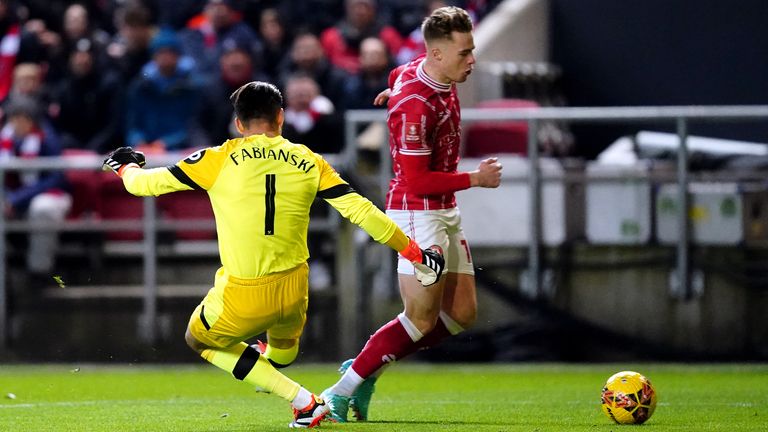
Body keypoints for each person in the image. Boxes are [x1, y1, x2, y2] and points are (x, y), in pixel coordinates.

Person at [102, 81, 445, 428]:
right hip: (295, 289)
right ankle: (266, 365)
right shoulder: (310, 160)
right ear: (281, 117)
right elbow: (362, 212)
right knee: (282, 354)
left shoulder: (217, 159)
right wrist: (416, 254)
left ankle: (305, 402)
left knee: (198, 338)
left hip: (244, 293)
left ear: (238, 124)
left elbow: (142, 185)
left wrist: (124, 166)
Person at [321, 6, 503, 423]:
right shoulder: (416, 106)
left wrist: (391, 91)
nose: (472, 60)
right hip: (416, 215)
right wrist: (475, 178)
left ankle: (365, 369)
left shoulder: (423, 71)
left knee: (461, 315)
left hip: (443, 211)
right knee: (420, 317)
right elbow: (419, 181)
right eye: (464, 53)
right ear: (437, 55)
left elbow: (396, 75)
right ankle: (339, 391)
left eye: (471, 50)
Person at [1, 96, 70, 283]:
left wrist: (18, 198)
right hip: (11, 197)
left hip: (47, 194)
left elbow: (56, 178)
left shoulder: (47, 139)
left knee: (42, 208)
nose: (18, 123)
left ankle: (39, 271)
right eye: (14, 118)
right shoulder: (5, 139)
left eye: (24, 118)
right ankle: (3, 277)